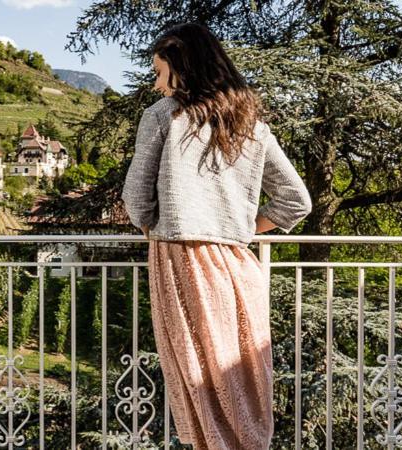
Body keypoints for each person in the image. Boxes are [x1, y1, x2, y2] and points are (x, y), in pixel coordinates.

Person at [121, 22, 313, 449]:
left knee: (198, 381)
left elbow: (135, 199)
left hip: (182, 263)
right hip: (239, 266)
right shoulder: (251, 124)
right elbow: (296, 201)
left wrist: (158, 224)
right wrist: (241, 228)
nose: (156, 85)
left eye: (159, 72)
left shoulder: (162, 117)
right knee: (240, 382)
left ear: (182, 69)